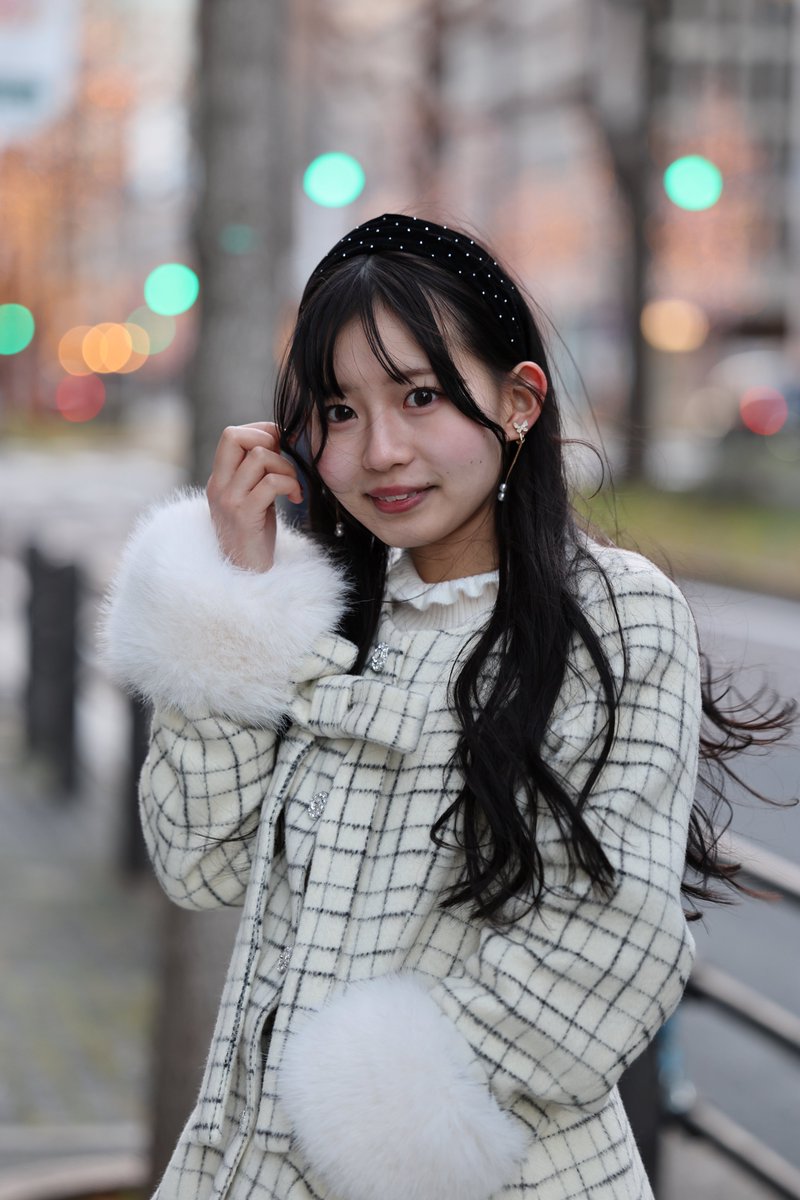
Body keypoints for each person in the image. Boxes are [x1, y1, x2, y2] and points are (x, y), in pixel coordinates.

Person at [102, 213, 794, 1200]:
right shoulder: (327, 622)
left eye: (419, 395)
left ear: (517, 402)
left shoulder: (611, 612)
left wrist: (378, 1126)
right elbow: (200, 860)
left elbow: (613, 945)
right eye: (338, 411)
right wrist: (235, 596)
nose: (380, 449)